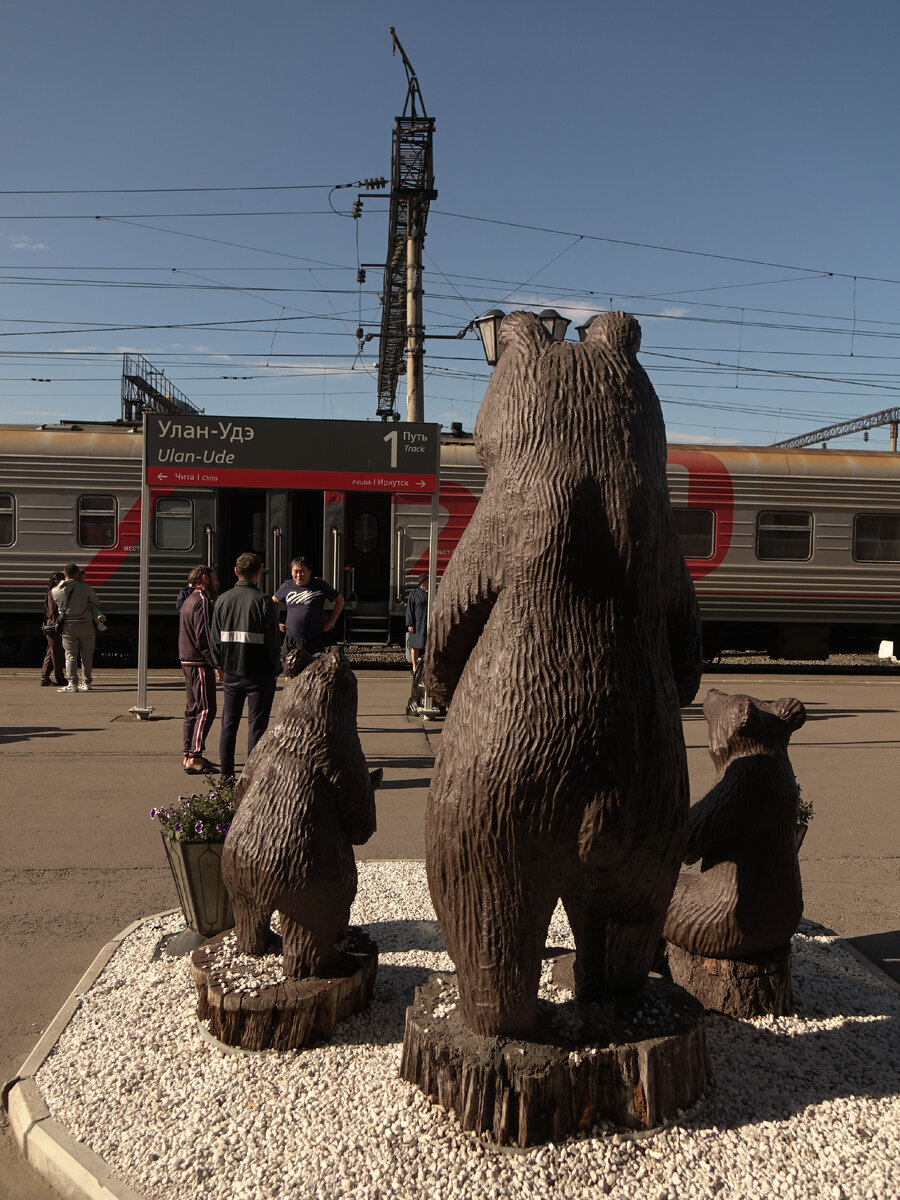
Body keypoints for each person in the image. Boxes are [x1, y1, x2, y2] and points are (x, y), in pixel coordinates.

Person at [210, 552, 281, 780]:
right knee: (256, 727)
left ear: (235, 571)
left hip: (231, 671)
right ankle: (251, 778)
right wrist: (276, 669)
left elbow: (214, 639)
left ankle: (226, 776)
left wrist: (219, 665)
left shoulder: (222, 600)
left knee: (228, 723)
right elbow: (272, 642)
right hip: (259, 674)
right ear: (258, 573)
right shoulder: (263, 602)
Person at [178, 564, 221, 774]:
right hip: (199, 663)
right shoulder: (202, 602)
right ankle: (195, 756)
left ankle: (188, 753)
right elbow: (203, 637)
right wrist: (216, 664)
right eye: (214, 579)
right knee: (206, 709)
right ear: (204, 578)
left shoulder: (188, 600)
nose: (217, 583)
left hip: (188, 661)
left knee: (192, 709)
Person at [272, 556, 344, 657]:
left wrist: (331, 623)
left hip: (313, 639)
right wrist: (276, 623)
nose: (298, 575)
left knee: (314, 670)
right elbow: (274, 601)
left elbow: (340, 600)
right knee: (289, 670)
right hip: (291, 640)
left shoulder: (319, 585)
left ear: (309, 571)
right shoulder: (287, 585)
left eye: (302, 571)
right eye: (295, 572)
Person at [51, 563, 102, 692]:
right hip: (86, 625)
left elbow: (58, 607)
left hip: (68, 626)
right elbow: (96, 602)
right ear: (76, 574)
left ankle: (72, 684)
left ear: (65, 574)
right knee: (87, 655)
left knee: (70, 656)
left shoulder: (55, 591)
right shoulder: (85, 587)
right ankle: (86, 683)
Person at [40, 571, 67, 687]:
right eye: (58, 578)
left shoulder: (52, 592)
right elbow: (52, 612)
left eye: (62, 578)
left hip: (51, 625)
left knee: (51, 652)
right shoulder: (53, 593)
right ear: (54, 580)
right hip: (54, 626)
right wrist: (59, 622)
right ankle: (59, 676)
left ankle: (45, 677)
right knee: (57, 653)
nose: (60, 580)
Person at [405, 574, 429, 673]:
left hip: (426, 622)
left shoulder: (431, 593)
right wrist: (410, 624)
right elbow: (409, 610)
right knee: (415, 645)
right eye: (427, 581)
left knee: (426, 644)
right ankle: (414, 667)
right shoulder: (414, 594)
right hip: (417, 623)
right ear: (422, 582)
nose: (428, 583)